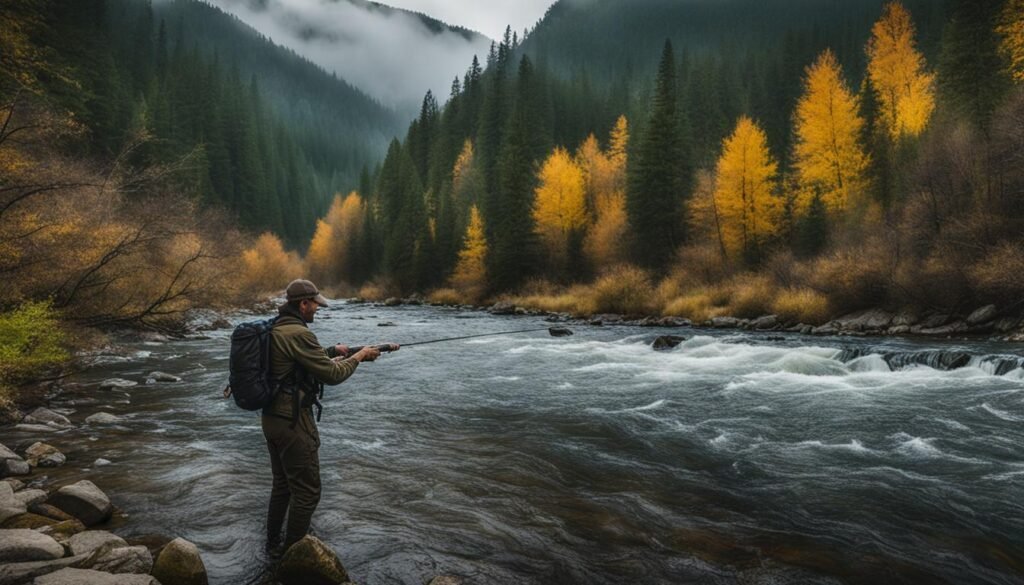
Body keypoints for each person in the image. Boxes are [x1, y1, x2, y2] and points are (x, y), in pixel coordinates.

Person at [263, 278, 397, 555]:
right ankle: (293, 556)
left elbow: (297, 362)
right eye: (315, 305)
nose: (317, 310)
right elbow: (333, 375)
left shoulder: (278, 326)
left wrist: (334, 351)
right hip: (293, 423)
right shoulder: (300, 333)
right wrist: (359, 357)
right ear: (302, 304)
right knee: (308, 492)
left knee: (283, 486)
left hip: (271, 419)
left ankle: (272, 544)